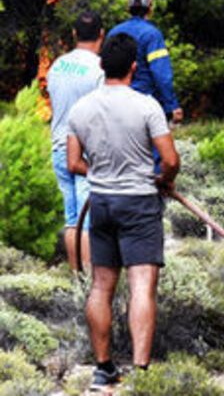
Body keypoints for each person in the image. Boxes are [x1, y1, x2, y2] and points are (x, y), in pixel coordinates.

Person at [66, 32, 180, 389]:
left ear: (102, 65)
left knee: (101, 287)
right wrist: (162, 178)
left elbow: (73, 162)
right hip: (140, 204)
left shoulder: (81, 109)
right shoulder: (146, 106)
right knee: (141, 285)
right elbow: (171, 159)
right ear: (134, 67)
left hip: (101, 203)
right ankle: (141, 371)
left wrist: (101, 172)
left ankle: (103, 368)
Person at [47, 9, 105, 270]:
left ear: (74, 34)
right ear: (101, 35)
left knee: (72, 220)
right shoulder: (99, 69)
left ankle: (75, 276)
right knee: (88, 221)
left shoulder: (57, 65)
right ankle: (91, 284)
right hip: (85, 153)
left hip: (59, 147)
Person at [109, 0, 182, 126]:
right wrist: (172, 105)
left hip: (115, 103)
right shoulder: (152, 35)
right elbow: (161, 74)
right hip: (146, 103)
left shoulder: (113, 32)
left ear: (128, 8)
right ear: (150, 8)